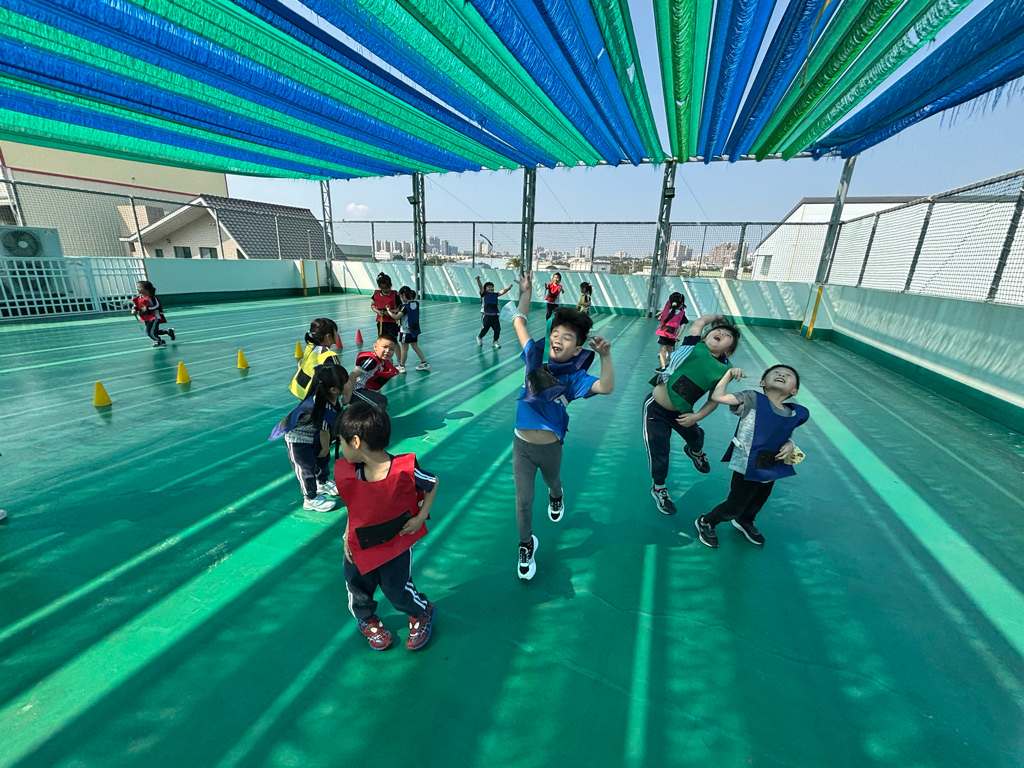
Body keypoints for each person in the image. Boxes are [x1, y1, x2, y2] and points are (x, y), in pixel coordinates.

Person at [508, 272, 614, 580]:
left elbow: (606, 387)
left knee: (552, 480)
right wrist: (526, 292)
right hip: (521, 446)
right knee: (523, 502)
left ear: (578, 349)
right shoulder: (534, 356)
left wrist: (606, 356)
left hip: (551, 448)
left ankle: (557, 495)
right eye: (556, 333)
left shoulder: (575, 377)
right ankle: (526, 544)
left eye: (567, 337)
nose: (558, 339)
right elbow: (519, 322)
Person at [337, 403, 439, 651]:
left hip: (395, 545)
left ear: (356, 442)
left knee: (397, 589)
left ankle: (422, 611)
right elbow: (354, 504)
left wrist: (420, 517)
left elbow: (432, 482)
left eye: (341, 441)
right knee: (357, 585)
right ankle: (366, 619)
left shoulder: (404, 471)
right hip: (359, 543)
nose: (340, 448)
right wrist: (347, 534)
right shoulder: (351, 473)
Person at [694, 365, 809, 548]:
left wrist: (790, 444)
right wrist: (729, 375)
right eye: (776, 373)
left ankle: (745, 520)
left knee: (758, 500)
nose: (781, 374)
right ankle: (707, 521)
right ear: (762, 382)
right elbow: (718, 397)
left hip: (770, 466)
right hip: (747, 465)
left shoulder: (791, 413)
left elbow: (783, 434)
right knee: (735, 505)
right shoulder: (751, 399)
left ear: (794, 391)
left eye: (788, 375)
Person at [642, 314, 741, 516]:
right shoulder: (694, 345)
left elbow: (714, 399)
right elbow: (700, 322)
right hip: (656, 409)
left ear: (728, 351)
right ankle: (659, 487)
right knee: (659, 450)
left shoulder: (725, 370)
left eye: (728, 335)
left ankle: (695, 451)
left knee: (696, 436)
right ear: (705, 337)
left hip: (683, 412)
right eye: (718, 330)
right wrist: (716, 317)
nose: (721, 333)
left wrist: (697, 417)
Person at [271, 364, 350, 513]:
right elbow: (324, 432)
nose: (348, 384)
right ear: (334, 389)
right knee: (306, 468)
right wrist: (325, 448)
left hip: (313, 434)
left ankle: (322, 482)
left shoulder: (330, 398)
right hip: (298, 439)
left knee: (321, 460)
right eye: (345, 382)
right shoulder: (322, 406)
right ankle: (310, 499)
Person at [289, 318, 341, 398]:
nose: (337, 334)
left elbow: (301, 362)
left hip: (301, 392)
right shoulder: (329, 356)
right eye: (336, 332)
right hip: (317, 397)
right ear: (328, 336)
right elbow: (338, 380)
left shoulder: (310, 346)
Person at [349, 333, 400, 410]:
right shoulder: (371, 361)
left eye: (392, 349)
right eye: (385, 347)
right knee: (378, 406)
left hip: (367, 390)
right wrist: (348, 394)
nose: (387, 351)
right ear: (375, 347)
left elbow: (375, 383)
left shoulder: (384, 363)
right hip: (357, 390)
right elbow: (353, 375)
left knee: (383, 401)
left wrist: (378, 395)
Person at [391, 286, 429, 373]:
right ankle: (424, 363)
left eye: (401, 297)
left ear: (403, 295)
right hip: (414, 330)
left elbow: (397, 316)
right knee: (415, 346)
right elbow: (401, 310)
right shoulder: (416, 304)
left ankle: (402, 366)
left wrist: (389, 312)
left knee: (404, 349)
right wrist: (395, 310)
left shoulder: (405, 307)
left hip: (405, 331)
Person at [130, 281, 175, 347]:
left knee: (149, 332)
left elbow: (157, 305)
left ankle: (160, 341)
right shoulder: (139, 298)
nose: (137, 289)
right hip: (146, 318)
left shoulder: (151, 298)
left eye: (139, 287)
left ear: (146, 289)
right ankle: (168, 332)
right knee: (155, 331)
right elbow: (136, 306)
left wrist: (148, 308)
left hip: (154, 317)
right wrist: (134, 309)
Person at [475, 276, 512, 348]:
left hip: (494, 316)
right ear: (485, 288)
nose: (491, 288)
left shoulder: (495, 295)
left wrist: (508, 288)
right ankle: (479, 337)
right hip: (486, 316)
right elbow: (480, 287)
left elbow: (502, 292)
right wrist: (478, 280)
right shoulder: (484, 294)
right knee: (485, 329)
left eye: (492, 287)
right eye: (489, 287)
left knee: (497, 329)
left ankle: (495, 341)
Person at [655, 292, 687, 371]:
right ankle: (670, 366)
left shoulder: (666, 311)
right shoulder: (681, 314)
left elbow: (660, 318)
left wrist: (660, 316)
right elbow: (683, 325)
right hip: (672, 336)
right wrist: (678, 336)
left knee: (662, 350)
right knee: (670, 351)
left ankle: (663, 367)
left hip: (663, 334)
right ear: (680, 304)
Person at [371, 272, 400, 338]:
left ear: (390, 285)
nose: (385, 290)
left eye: (387, 288)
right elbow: (373, 305)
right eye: (382, 288)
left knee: (393, 339)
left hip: (392, 322)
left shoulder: (395, 295)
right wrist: (378, 311)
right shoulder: (376, 294)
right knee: (382, 339)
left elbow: (400, 307)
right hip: (381, 322)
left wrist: (391, 312)